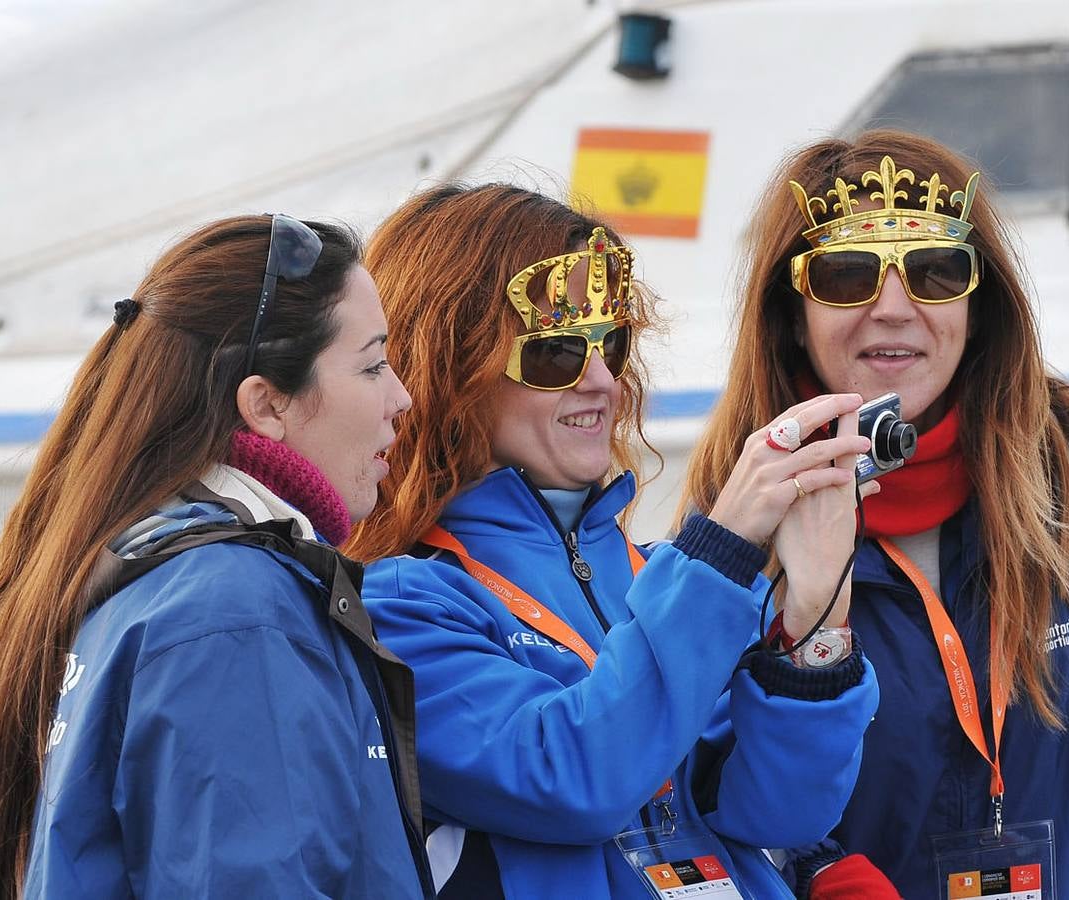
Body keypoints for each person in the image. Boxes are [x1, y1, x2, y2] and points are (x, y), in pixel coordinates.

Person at [680, 130, 1069, 898]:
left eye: (934, 270)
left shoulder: (1067, 465)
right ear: (791, 316)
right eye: (847, 276)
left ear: (977, 305)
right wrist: (814, 869)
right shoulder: (740, 505)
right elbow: (705, 794)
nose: (893, 308)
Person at [344, 183, 880, 899]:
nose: (602, 382)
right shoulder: (398, 602)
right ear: (451, 369)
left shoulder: (653, 575)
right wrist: (721, 547)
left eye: (612, 344)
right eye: (555, 353)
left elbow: (779, 813)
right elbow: (574, 778)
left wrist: (817, 622)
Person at [0, 214, 434, 898]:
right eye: (372, 364)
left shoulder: (161, 581)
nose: (400, 397)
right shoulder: (235, 614)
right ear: (267, 403)